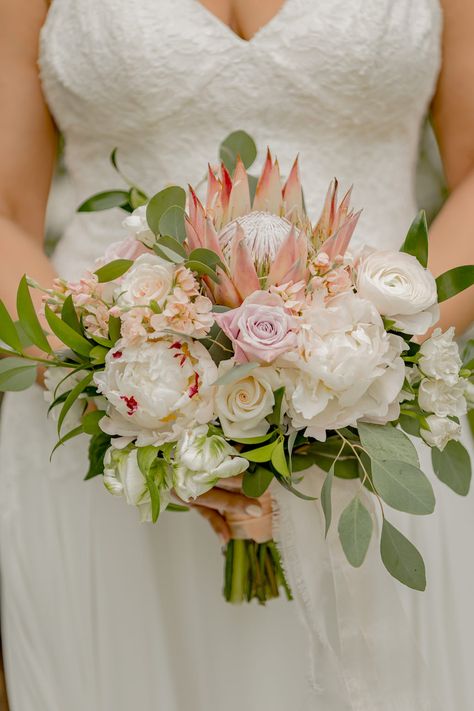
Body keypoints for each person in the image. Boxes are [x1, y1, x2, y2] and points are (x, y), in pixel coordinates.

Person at [0, 1, 473, 709]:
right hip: (106, 445)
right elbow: (6, 207)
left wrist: (362, 362)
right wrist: (129, 390)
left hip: (379, 433)